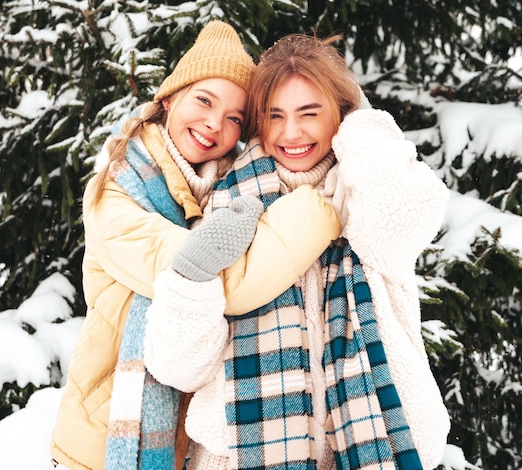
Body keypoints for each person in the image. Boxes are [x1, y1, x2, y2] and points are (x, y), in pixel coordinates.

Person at [140, 33, 452, 469]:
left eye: (310, 112)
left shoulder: (365, 192)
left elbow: (404, 216)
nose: (292, 133)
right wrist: (191, 277)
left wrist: (361, 120)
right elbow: (179, 368)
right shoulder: (227, 201)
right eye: (275, 115)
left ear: (339, 115)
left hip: (378, 445)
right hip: (239, 457)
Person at [49, 22, 343, 470]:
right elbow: (224, 283)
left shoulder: (225, 188)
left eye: (234, 119)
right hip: (105, 438)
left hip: (190, 437)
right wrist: (321, 209)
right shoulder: (119, 190)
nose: (213, 124)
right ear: (169, 98)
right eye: (204, 101)